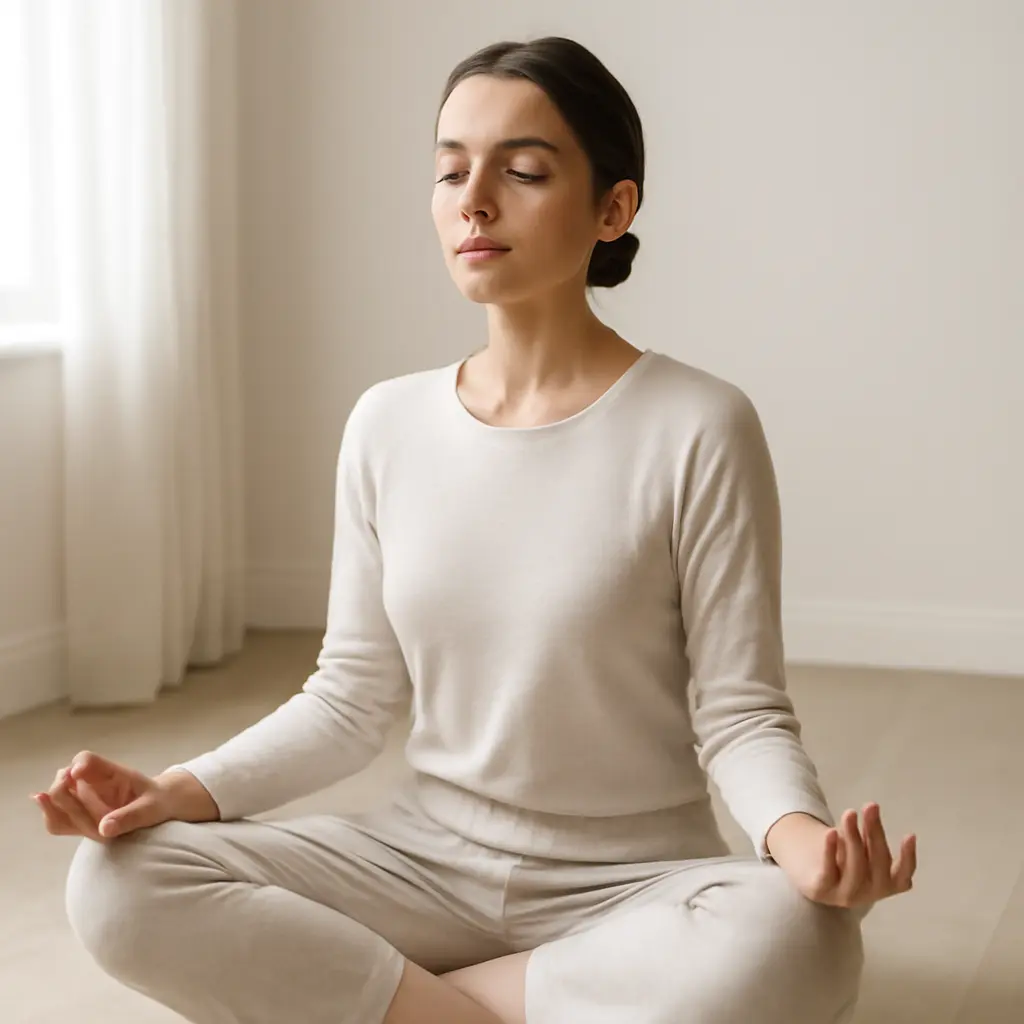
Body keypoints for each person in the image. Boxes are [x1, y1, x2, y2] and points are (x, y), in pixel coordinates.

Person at [36, 36, 916, 1024]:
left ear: (612, 209)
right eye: (452, 168)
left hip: (632, 882)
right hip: (419, 864)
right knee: (114, 879)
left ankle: (408, 1007)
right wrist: (182, 789)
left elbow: (741, 711)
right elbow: (349, 699)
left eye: (524, 170)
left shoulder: (698, 424)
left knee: (802, 943)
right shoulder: (387, 422)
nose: (474, 197)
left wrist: (802, 844)